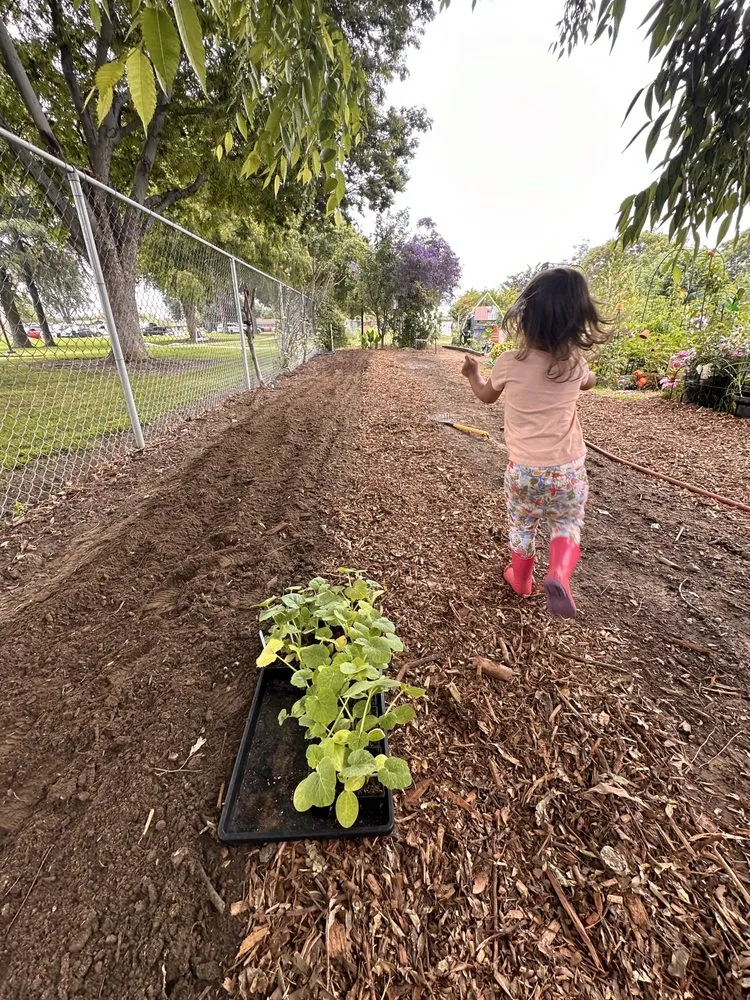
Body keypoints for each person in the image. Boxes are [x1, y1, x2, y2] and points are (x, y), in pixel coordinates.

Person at [461, 267, 610, 618]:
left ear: (525, 317)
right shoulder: (574, 364)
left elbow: (485, 396)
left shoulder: (509, 362)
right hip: (568, 471)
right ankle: (558, 573)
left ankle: (522, 581)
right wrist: (584, 374)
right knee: (567, 523)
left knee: (522, 526)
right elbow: (589, 382)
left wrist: (473, 374)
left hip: (524, 471)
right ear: (576, 322)